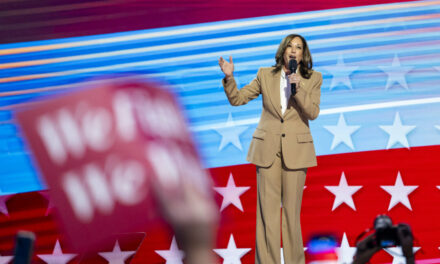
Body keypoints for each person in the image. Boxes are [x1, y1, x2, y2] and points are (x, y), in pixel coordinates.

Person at [218, 34, 322, 264]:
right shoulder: (265, 74)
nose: (293, 50)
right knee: (267, 216)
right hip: (267, 152)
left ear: (303, 55)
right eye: (290, 46)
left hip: (296, 152)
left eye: (299, 47)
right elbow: (238, 99)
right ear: (283, 51)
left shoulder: (313, 78)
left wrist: (298, 88)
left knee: (291, 217)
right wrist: (229, 77)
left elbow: (312, 112)